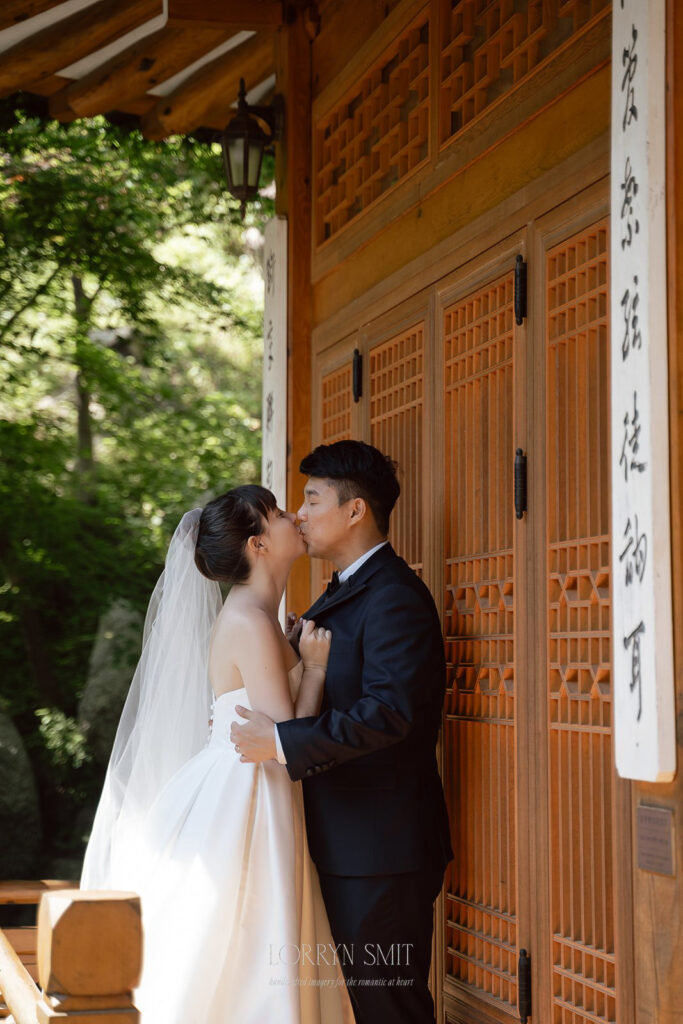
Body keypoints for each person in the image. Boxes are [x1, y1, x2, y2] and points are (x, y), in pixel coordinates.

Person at [80, 485, 353, 1024]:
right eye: (277, 514)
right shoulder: (250, 622)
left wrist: (293, 650)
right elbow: (289, 734)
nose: (292, 517)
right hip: (247, 794)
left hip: (251, 782)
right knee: (247, 934)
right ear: (258, 544)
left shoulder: (260, 617)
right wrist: (315, 667)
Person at [231, 441, 454, 1024]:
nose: (299, 514)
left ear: (355, 511)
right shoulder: (341, 592)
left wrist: (281, 742)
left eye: (311, 499)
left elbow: (391, 714)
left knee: (389, 1008)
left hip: (381, 851)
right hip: (345, 841)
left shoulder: (394, 598)